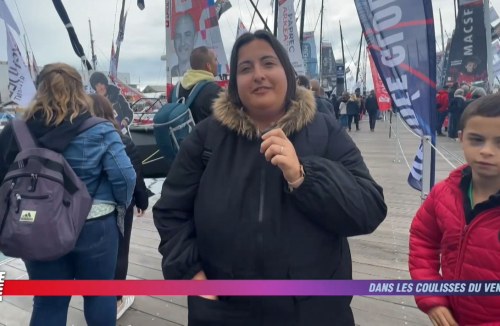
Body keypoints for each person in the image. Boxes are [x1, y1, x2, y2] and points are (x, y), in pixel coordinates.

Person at [153, 30, 387, 326]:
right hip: (224, 311)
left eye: (268, 63)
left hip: (313, 312)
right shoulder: (207, 137)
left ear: (287, 73)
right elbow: (170, 211)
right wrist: (191, 273)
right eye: (245, 68)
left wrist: (304, 177)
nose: (258, 75)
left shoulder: (323, 130)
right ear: (235, 82)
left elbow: (369, 207)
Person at [0, 63, 136, 326]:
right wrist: (120, 205)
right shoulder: (101, 129)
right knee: (99, 297)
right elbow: (125, 177)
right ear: (79, 90)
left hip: (36, 227)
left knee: (48, 303)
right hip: (96, 224)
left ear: (39, 91)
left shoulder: (14, 131)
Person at [409, 93, 500, 325]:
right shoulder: (444, 194)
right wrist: (432, 295)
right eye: (477, 140)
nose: (487, 151)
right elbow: (423, 240)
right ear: (461, 138)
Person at [89, 94, 149, 320]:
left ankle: (96, 297)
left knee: (97, 254)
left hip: (91, 207)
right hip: (120, 204)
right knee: (120, 251)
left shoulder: (80, 139)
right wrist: (141, 201)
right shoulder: (121, 139)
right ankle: (116, 299)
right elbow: (134, 174)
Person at [168, 46, 222, 124]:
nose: (217, 63)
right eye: (215, 60)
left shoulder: (174, 91)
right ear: (208, 66)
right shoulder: (215, 91)